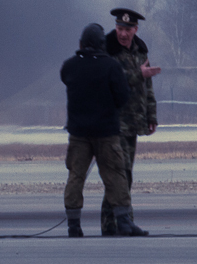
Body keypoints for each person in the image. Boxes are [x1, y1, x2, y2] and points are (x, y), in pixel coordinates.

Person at [60, 22, 148, 237]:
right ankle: (124, 222)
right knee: (116, 176)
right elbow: (122, 97)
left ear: (81, 43)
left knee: (76, 176)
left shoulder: (69, 66)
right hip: (107, 133)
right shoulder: (111, 66)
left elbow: (66, 80)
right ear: (101, 44)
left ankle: (73, 225)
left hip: (78, 133)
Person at [101, 6, 160, 236]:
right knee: (120, 173)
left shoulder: (140, 51)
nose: (122, 33)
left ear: (135, 29)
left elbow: (148, 88)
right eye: (119, 28)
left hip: (133, 122)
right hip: (115, 123)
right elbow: (110, 80)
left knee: (124, 174)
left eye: (127, 29)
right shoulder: (108, 51)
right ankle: (123, 222)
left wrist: (151, 116)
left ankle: (111, 224)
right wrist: (139, 75)